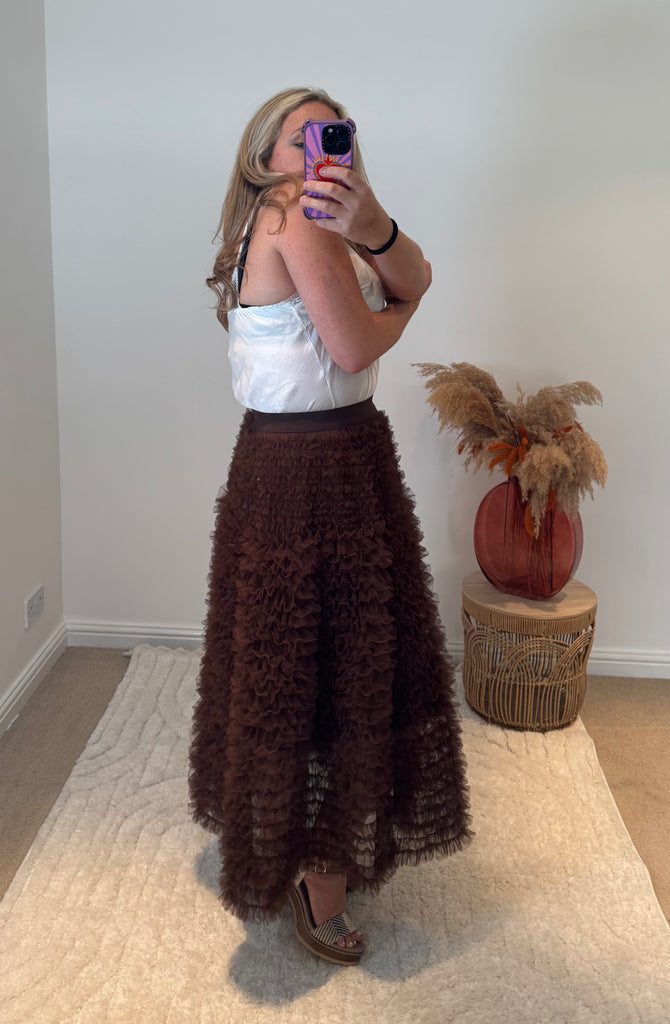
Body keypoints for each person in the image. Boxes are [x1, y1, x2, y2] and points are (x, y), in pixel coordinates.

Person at [188, 86, 471, 966]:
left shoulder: (327, 219)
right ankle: (319, 876)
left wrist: (375, 225)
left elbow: (419, 271)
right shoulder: (290, 213)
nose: (319, 147)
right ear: (264, 155)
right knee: (334, 668)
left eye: (333, 133)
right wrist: (402, 311)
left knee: (305, 661)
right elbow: (356, 344)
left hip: (314, 457)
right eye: (300, 135)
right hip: (313, 469)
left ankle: (304, 843)